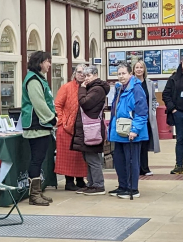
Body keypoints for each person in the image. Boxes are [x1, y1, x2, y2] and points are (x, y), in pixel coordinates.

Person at [21, 51, 57, 206]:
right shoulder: (33, 79)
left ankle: (37, 192)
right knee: (36, 160)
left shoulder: (39, 79)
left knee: (40, 159)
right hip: (37, 125)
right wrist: (52, 118)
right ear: (40, 63)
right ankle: (34, 195)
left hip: (42, 125)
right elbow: (39, 103)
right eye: (47, 61)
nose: (49, 65)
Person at [108, 62, 148, 199]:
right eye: (119, 74)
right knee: (119, 161)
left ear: (130, 73)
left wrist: (135, 129)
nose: (121, 76)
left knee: (131, 160)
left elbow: (142, 112)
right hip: (118, 131)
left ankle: (133, 188)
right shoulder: (119, 88)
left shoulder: (136, 89)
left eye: (124, 73)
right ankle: (123, 186)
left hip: (131, 132)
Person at [71, 64, 110, 195]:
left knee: (93, 158)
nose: (86, 78)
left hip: (92, 129)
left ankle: (98, 185)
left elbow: (85, 103)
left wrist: (81, 89)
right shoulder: (91, 88)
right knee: (88, 157)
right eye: (85, 75)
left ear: (96, 75)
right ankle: (91, 183)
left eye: (89, 75)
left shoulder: (97, 89)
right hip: (87, 128)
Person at [55, 64, 89, 191]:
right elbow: (57, 105)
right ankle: (69, 182)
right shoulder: (66, 87)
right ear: (75, 73)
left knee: (80, 156)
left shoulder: (89, 87)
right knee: (67, 156)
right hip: (66, 128)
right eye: (79, 72)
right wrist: (62, 121)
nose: (81, 74)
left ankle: (80, 180)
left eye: (84, 72)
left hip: (82, 128)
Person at [133, 60, 160, 176]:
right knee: (136, 143)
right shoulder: (131, 83)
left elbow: (153, 99)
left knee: (144, 142)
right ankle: (136, 167)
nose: (139, 69)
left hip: (147, 118)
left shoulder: (149, 83)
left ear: (144, 70)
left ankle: (144, 168)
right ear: (133, 70)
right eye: (137, 67)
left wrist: (152, 110)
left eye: (141, 67)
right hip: (135, 118)